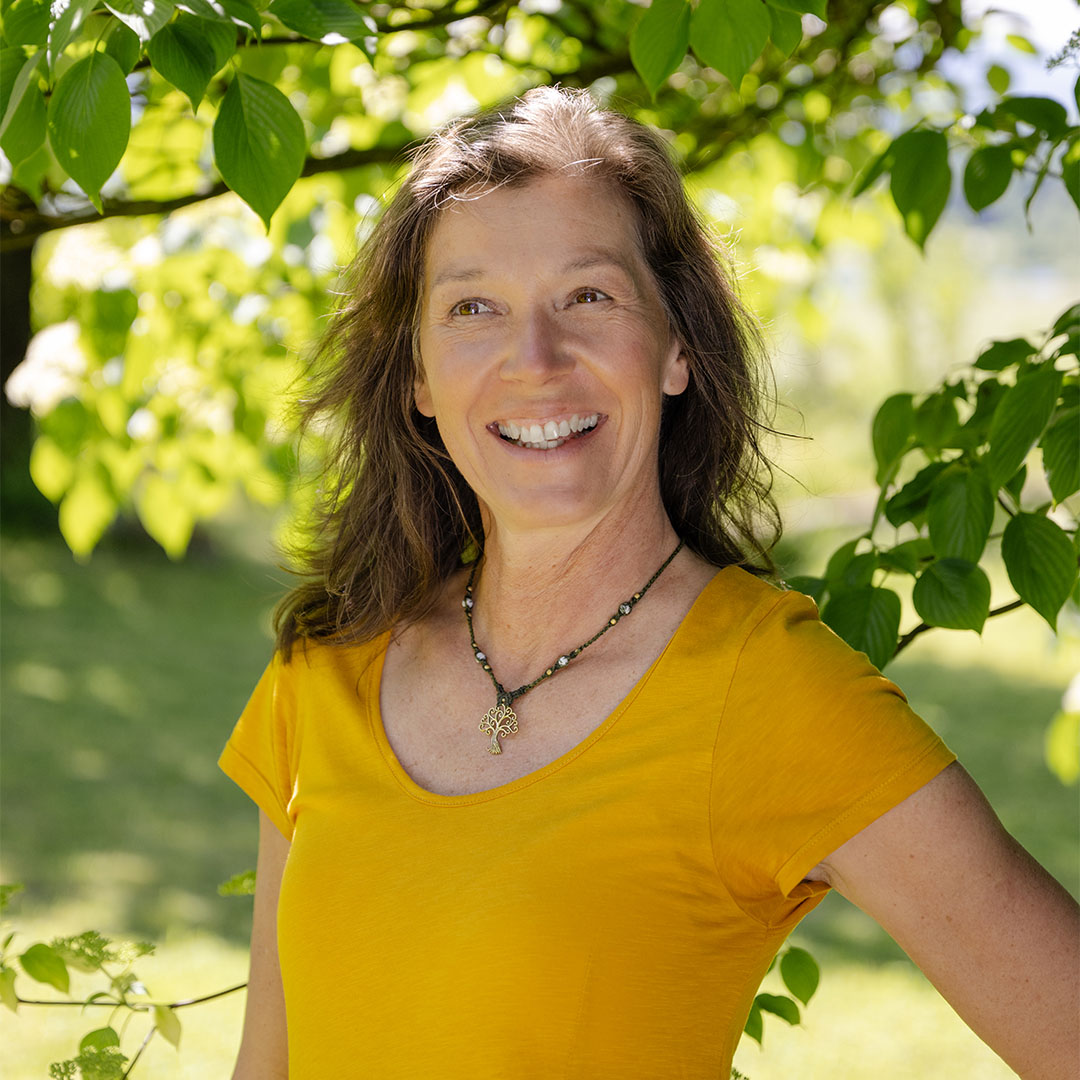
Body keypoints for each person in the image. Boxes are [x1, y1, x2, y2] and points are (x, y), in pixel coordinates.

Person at [219, 87, 1079, 1079]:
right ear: (416, 378)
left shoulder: (770, 694)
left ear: (676, 347)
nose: (533, 360)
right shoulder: (328, 666)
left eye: (588, 296)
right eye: (472, 308)